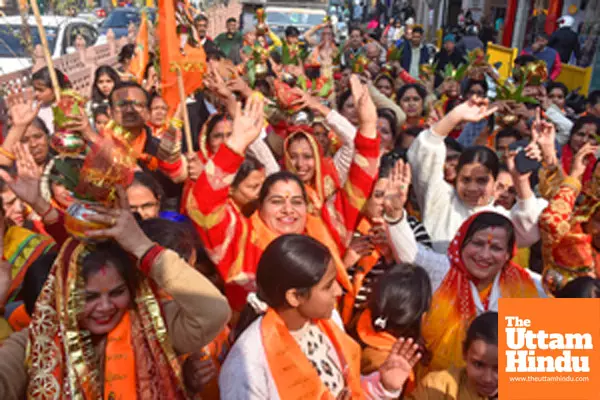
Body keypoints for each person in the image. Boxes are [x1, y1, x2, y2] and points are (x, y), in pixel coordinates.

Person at [0, 186, 231, 399]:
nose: (105, 307)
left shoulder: (152, 324)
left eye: (117, 292)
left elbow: (213, 311)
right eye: (89, 297)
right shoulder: (35, 344)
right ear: (63, 294)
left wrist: (142, 247)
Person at [187, 78, 380, 313]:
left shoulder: (322, 233)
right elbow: (203, 206)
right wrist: (235, 144)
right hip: (262, 345)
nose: (288, 209)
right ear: (260, 205)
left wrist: (369, 125)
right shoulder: (241, 243)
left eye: (297, 202)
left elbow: (357, 191)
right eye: (277, 201)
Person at [220, 234, 419, 399]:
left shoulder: (327, 322)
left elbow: (346, 390)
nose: (338, 291)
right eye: (327, 286)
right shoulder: (247, 364)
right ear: (295, 296)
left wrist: (382, 385)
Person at [407, 96, 548, 253]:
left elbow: (529, 231)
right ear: (456, 177)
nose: (472, 188)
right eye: (465, 180)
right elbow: (424, 153)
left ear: (495, 184)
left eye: (482, 181)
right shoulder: (440, 198)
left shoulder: (500, 218)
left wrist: (521, 180)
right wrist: (455, 116)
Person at [409, 312, 499, 399]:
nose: (488, 379)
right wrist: (394, 389)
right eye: (478, 365)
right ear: (464, 351)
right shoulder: (438, 386)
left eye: (498, 367)